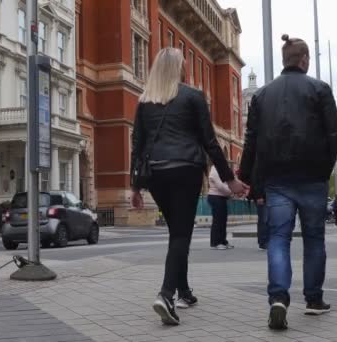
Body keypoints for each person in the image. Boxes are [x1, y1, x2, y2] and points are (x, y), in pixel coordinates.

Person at [130, 48, 248, 326]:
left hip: (156, 173)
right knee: (181, 234)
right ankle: (166, 295)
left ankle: (184, 291)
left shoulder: (145, 101)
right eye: (185, 64)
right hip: (186, 169)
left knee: (176, 233)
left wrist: (135, 187)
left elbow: (138, 145)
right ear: (180, 69)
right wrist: (229, 178)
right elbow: (210, 142)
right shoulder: (193, 97)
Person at [239, 34, 337, 330]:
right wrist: (325, 169)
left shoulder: (262, 95)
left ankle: (279, 298)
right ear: (305, 59)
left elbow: (251, 141)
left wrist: (245, 176)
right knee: (314, 240)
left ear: (285, 61)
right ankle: (313, 299)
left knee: (278, 239)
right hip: (312, 177)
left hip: (277, 179)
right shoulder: (319, 89)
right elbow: (333, 135)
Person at [208, 166, 234, 250]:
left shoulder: (220, 169)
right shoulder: (214, 170)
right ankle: (215, 242)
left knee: (223, 220)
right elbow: (220, 186)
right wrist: (231, 192)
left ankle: (223, 241)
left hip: (221, 197)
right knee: (218, 220)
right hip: (215, 196)